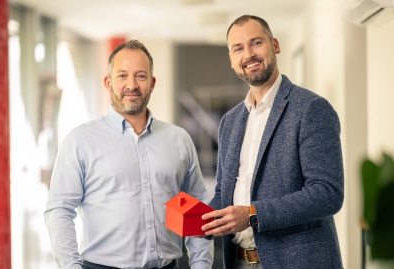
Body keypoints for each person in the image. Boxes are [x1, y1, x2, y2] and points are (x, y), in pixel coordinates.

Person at [44, 40, 214, 269]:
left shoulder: (179, 139)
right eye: (122, 75)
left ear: (152, 83)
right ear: (108, 83)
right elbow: (60, 211)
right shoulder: (81, 141)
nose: (131, 85)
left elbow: (196, 210)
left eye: (141, 76)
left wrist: (201, 266)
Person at [201, 15, 344, 269]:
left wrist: (253, 215)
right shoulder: (229, 122)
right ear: (232, 60)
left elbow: (327, 194)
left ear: (275, 45)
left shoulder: (311, 109)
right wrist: (202, 219)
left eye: (256, 43)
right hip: (239, 262)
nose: (249, 55)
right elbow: (225, 194)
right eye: (238, 48)